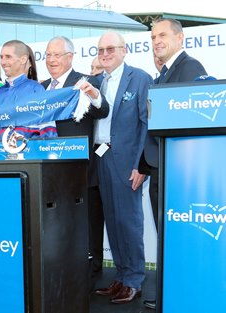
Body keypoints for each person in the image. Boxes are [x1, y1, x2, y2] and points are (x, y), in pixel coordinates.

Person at [141, 18, 207, 310]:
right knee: (165, 239)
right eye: (153, 36)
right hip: (160, 167)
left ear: (180, 38)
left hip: (178, 171)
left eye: (163, 35)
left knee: (175, 240)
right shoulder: (164, 74)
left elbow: (193, 122)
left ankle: (179, 296)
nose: (156, 40)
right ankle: (169, 293)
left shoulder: (190, 68)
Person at [41, 36, 109, 281]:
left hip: (79, 168)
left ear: (70, 57)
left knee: (87, 224)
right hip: (47, 169)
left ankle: (92, 269)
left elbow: (102, 110)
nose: (51, 60)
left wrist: (93, 95)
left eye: (57, 55)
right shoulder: (41, 87)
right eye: (48, 55)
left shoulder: (86, 82)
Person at [92, 31, 153, 304]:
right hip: (101, 158)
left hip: (128, 162)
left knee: (129, 222)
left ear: (124, 50)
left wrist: (142, 165)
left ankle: (135, 280)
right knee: (113, 223)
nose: (105, 54)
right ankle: (121, 276)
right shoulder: (96, 82)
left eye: (110, 49)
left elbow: (147, 124)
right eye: (101, 50)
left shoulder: (140, 78)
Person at [0, 40, 57, 140]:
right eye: (1, 57)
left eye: (8, 57)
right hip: (1, 155)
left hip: (29, 154)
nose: (3, 62)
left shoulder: (36, 89)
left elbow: (48, 132)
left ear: (23, 59)